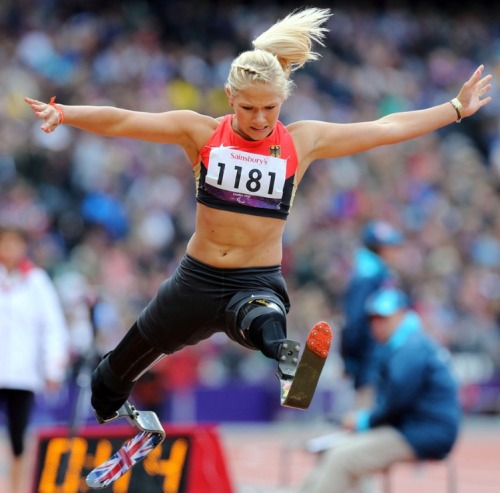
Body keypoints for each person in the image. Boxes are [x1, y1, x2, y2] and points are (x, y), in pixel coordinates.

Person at [23, 7, 492, 424]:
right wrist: (65, 114)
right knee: (119, 367)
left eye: (270, 107)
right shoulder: (201, 133)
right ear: (230, 97)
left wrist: (453, 108)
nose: (261, 119)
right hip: (195, 280)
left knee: (264, 319)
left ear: (283, 100)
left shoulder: (301, 141)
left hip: (255, 277)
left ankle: (290, 361)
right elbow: (124, 119)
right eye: (249, 108)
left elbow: (384, 127)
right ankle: (111, 405)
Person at [298, 287, 461, 493]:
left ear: (403, 314)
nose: (377, 324)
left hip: (423, 433)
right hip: (412, 428)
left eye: (384, 318)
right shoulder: (403, 345)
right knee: (337, 453)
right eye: (373, 319)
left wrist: (364, 421)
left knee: (341, 458)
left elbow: (396, 403)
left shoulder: (410, 348)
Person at [0, 225, 69, 493]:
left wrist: (53, 368)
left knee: (19, 439)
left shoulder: (37, 281)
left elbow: (53, 327)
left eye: (15, 243)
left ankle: (16, 488)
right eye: (5, 243)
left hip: (22, 372)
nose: (10, 249)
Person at [340, 220, 405, 408]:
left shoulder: (376, 274)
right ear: (379, 249)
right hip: (370, 365)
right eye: (390, 246)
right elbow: (355, 324)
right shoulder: (369, 277)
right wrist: (352, 361)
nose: (395, 252)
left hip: (375, 363)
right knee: (367, 418)